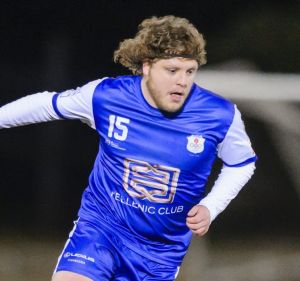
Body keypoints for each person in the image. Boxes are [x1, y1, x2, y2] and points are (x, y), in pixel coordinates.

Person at [0, 15, 257, 281]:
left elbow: (242, 163)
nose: (182, 81)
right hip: (101, 229)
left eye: (189, 71)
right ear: (147, 66)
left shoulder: (219, 115)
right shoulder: (107, 97)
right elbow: (47, 105)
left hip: (158, 252)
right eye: (172, 70)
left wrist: (210, 207)